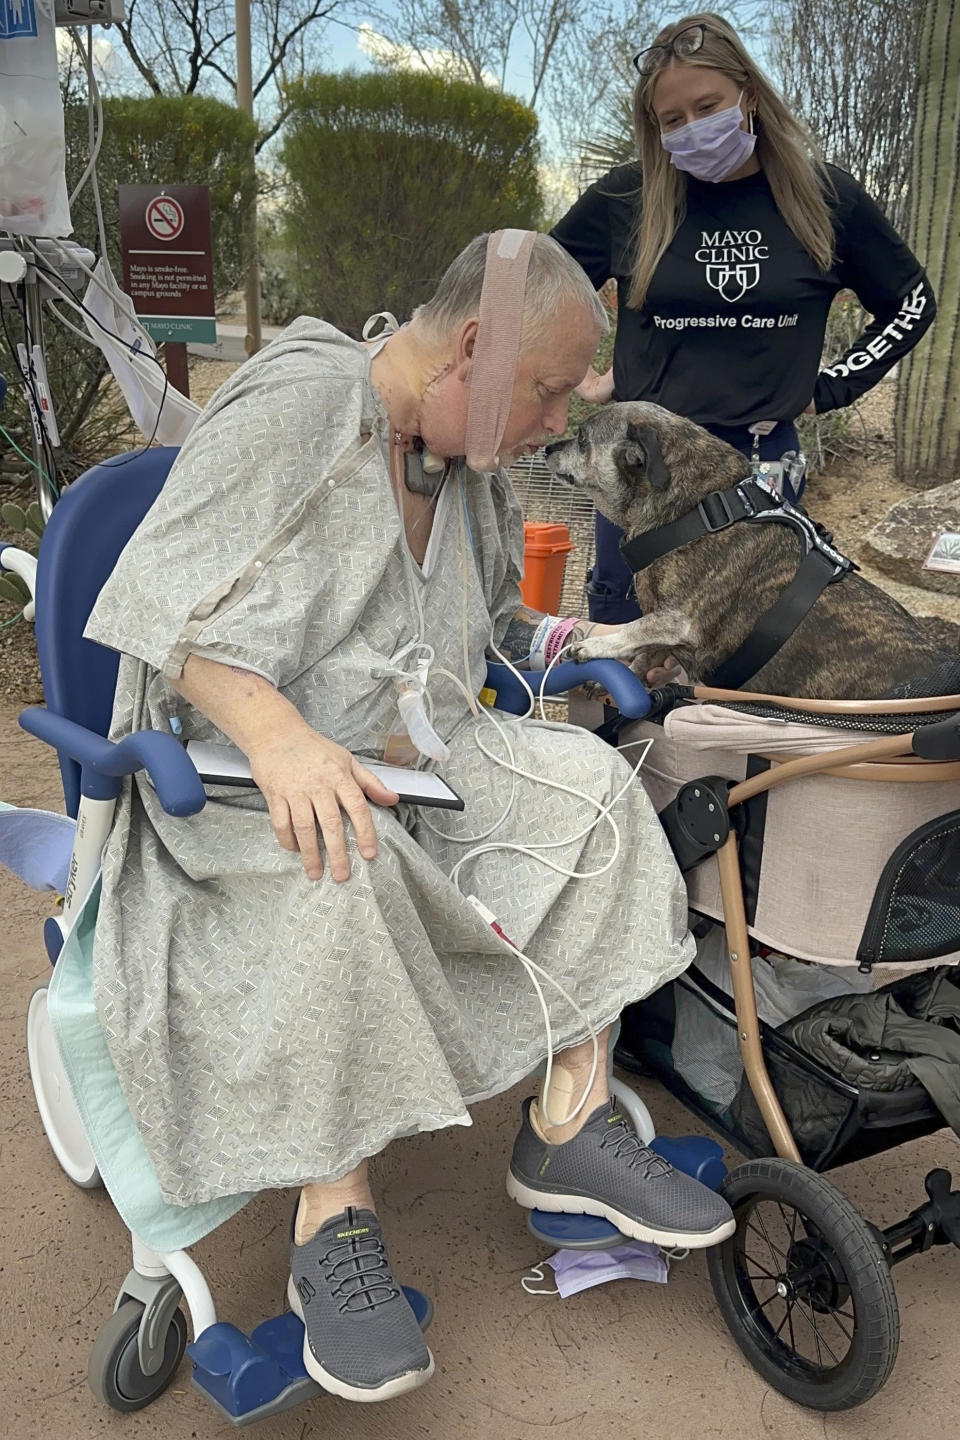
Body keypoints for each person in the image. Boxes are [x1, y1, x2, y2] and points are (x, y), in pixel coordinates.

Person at [84, 231, 733, 1404]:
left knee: (593, 790)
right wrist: (280, 735)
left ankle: (569, 1125)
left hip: (414, 763)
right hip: (240, 778)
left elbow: (486, 634)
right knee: (343, 850)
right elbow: (153, 607)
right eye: (544, 390)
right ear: (476, 347)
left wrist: (617, 644)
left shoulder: (466, 464)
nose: (552, 423)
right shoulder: (299, 404)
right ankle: (333, 1222)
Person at [551, 12, 937, 623]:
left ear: (749, 96)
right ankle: (609, 727)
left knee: (747, 644)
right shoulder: (628, 199)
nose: (693, 129)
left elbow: (912, 301)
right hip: (638, 465)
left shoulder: (824, 197)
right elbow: (539, 288)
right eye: (672, 119)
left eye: (708, 107)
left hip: (761, 464)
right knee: (622, 647)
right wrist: (581, 372)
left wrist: (834, 385)